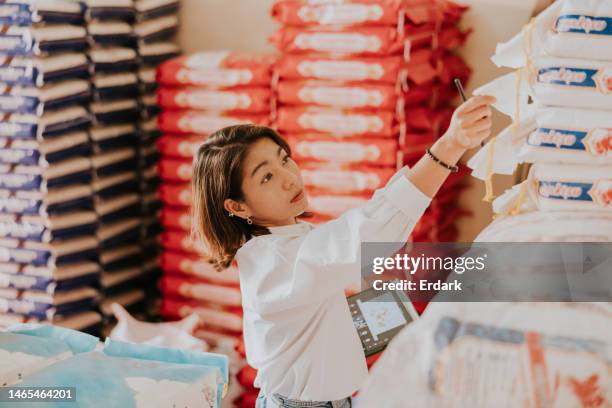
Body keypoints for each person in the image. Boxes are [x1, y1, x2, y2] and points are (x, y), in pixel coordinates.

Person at [191, 95, 496, 408]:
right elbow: (368, 231)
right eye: (266, 177)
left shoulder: (291, 240)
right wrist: (450, 145)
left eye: (284, 159)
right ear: (237, 206)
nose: (289, 177)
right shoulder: (277, 260)